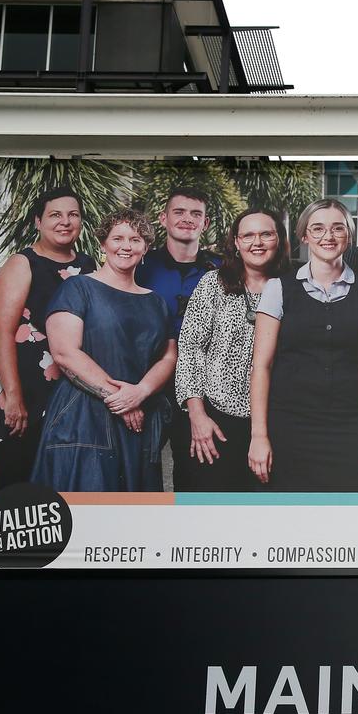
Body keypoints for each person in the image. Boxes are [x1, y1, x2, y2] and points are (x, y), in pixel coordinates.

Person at [249, 199, 358, 491]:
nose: (328, 236)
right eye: (318, 228)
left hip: (351, 425)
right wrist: (259, 435)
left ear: (349, 236)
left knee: (350, 520)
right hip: (290, 424)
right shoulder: (277, 289)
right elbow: (261, 366)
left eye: (337, 228)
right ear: (304, 235)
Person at [31, 209, 176, 492]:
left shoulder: (157, 302)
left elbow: (169, 356)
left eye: (135, 239)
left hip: (139, 418)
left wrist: (140, 392)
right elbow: (64, 353)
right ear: (102, 244)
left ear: (145, 247)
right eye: (117, 238)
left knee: (132, 525)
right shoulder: (78, 288)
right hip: (84, 416)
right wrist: (120, 398)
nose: (126, 246)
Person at [0, 186, 99, 492]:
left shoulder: (90, 267)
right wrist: (13, 396)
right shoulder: (22, 263)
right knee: (15, 481)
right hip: (19, 388)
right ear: (38, 222)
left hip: (65, 394)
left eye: (73, 215)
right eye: (55, 215)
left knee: (55, 486)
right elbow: (0, 332)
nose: (65, 221)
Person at [174, 208, 292, 491]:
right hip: (215, 419)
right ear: (236, 243)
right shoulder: (212, 284)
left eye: (266, 234)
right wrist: (197, 414)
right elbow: (190, 349)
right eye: (248, 235)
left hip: (275, 422)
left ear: (280, 240)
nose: (257, 242)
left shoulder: (294, 288)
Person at [135, 186, 220, 490]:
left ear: (205, 223)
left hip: (200, 387)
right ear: (163, 218)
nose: (187, 219)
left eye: (196, 214)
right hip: (148, 381)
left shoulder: (222, 270)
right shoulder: (140, 266)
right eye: (179, 212)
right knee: (139, 467)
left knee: (196, 470)